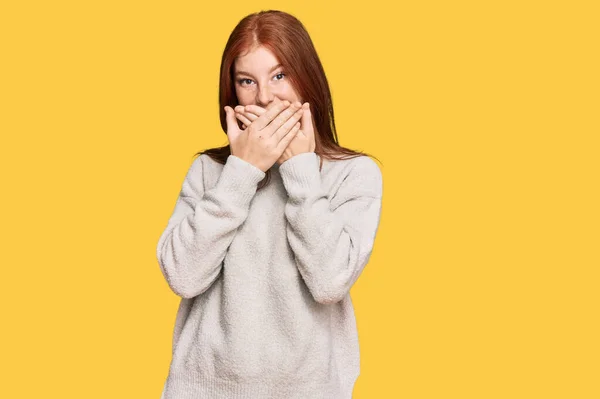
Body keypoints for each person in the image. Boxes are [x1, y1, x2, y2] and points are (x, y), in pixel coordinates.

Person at [156, 9, 383, 399]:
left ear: (307, 78)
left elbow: (330, 282)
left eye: (279, 76)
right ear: (232, 93)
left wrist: (300, 169)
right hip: (203, 390)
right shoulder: (210, 172)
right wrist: (242, 172)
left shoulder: (353, 174)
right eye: (247, 81)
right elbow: (183, 276)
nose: (264, 97)